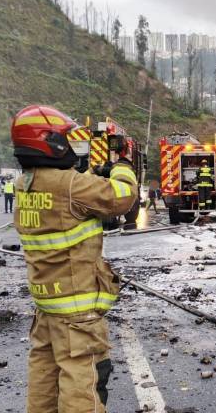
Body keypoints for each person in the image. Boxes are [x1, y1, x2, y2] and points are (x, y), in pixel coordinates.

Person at [11, 105, 138, 412]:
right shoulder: (69, 185)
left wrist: (90, 174)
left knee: (45, 372)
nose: (69, 146)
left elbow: (70, 203)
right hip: (77, 309)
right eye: (66, 140)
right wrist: (121, 164)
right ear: (50, 142)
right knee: (80, 380)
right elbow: (123, 196)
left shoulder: (24, 184)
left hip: (46, 306)